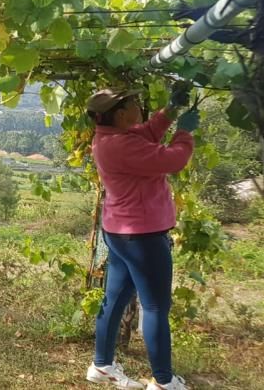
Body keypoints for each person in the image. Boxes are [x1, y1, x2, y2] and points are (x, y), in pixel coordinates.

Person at [83, 86, 198, 390]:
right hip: (143, 235)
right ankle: (163, 382)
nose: (139, 107)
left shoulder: (111, 137)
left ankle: (102, 365)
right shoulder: (121, 145)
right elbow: (173, 159)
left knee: (115, 299)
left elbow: (147, 132)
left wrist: (170, 111)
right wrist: (185, 132)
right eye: (134, 104)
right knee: (156, 307)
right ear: (121, 115)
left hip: (122, 233)